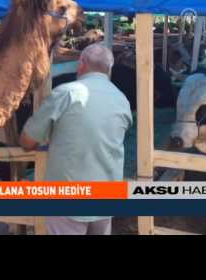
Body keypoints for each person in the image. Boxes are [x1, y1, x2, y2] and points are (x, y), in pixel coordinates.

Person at [20, 43, 133, 235]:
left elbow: (27, 142)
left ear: (81, 64)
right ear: (109, 69)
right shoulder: (122, 99)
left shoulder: (66, 93)